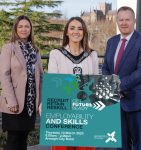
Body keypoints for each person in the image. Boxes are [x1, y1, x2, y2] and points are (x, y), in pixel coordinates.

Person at [102, 6, 141, 150]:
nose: (124, 23)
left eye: (127, 19)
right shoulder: (112, 42)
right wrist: (111, 88)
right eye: (121, 19)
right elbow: (105, 68)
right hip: (116, 103)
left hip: (137, 102)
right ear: (116, 21)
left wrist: (116, 87)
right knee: (120, 145)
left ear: (134, 20)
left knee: (139, 144)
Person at [48, 17, 99, 150]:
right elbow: (53, 84)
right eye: (72, 28)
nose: (76, 31)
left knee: (85, 147)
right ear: (66, 32)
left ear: (84, 33)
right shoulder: (56, 54)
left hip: (85, 110)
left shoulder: (92, 55)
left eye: (80, 28)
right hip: (63, 111)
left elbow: (95, 84)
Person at [0, 15, 43, 150]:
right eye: (20, 26)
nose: (24, 29)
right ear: (16, 29)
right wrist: (11, 101)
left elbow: (40, 77)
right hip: (14, 102)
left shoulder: (35, 51)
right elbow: (4, 75)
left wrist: (38, 102)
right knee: (13, 140)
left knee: (23, 140)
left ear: (31, 29)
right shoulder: (9, 48)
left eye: (27, 26)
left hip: (30, 104)